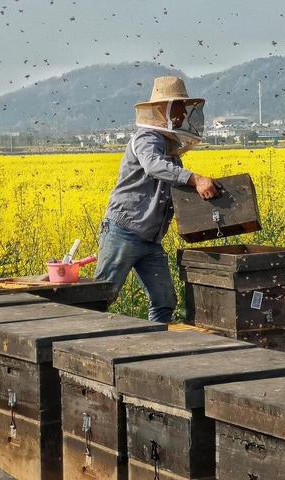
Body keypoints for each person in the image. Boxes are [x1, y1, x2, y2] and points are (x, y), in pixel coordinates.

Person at [95, 76, 219, 323]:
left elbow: (174, 191)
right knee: (100, 297)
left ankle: (157, 350)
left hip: (150, 239)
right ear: (164, 110)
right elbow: (153, 166)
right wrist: (195, 179)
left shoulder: (171, 152)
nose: (183, 114)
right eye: (179, 108)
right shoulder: (147, 139)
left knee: (164, 301)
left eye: (185, 109)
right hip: (124, 230)